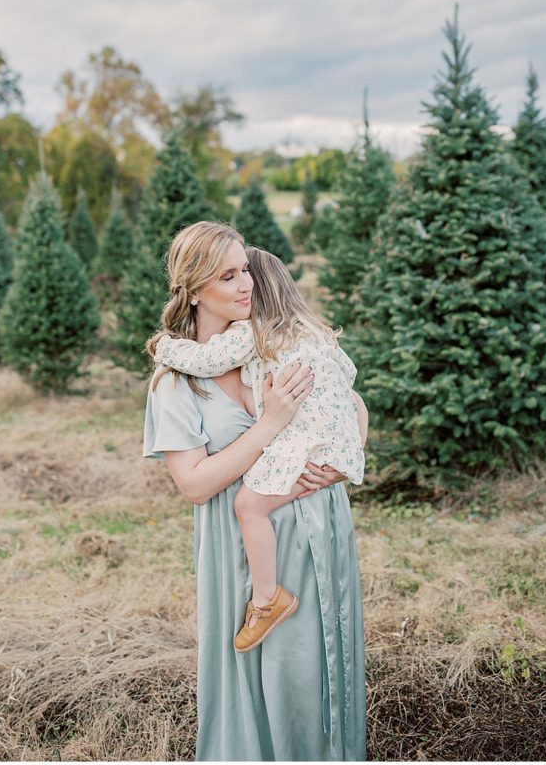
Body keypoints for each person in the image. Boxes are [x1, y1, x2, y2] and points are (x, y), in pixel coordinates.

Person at [143, 221, 366, 761]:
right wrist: (269, 426)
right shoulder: (178, 382)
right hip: (244, 549)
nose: (247, 284)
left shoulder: (269, 345)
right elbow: (194, 485)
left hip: (321, 525)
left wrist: (338, 464)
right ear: (195, 289)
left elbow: (353, 407)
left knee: (322, 666)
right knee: (271, 673)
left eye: (246, 269)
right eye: (228, 276)